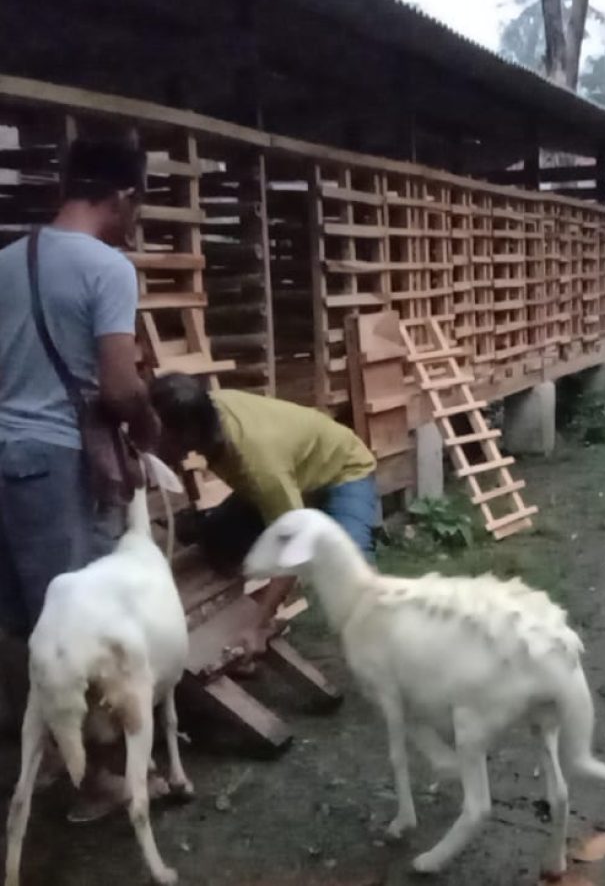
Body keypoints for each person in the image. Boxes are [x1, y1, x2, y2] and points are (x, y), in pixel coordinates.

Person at [0, 138, 157, 815]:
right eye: (137, 205)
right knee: (76, 622)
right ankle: (89, 779)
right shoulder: (108, 268)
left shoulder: (6, 260)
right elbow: (118, 387)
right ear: (122, 196)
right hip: (59, 463)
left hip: (5, 453)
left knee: (19, 620)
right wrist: (147, 421)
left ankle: (32, 751)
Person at [149, 373, 379, 654]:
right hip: (293, 475)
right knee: (216, 542)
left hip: (341, 470)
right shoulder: (208, 414)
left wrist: (256, 626)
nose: (155, 441)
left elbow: (294, 552)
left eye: (162, 435)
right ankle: (251, 605)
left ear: (189, 431)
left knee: (353, 576)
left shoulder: (258, 463)